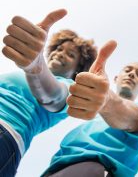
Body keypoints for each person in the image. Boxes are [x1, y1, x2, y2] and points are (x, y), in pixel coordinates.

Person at [0, 9, 97, 176]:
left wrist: (35, 68)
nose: (60, 53)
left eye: (70, 54)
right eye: (59, 48)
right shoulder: (17, 75)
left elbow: (53, 97)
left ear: (78, 69)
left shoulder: (70, 89)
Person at [42, 58, 138, 177]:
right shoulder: (92, 110)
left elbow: (135, 120)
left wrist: (108, 101)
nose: (132, 74)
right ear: (116, 78)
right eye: (127, 70)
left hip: (96, 169)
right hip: (56, 168)